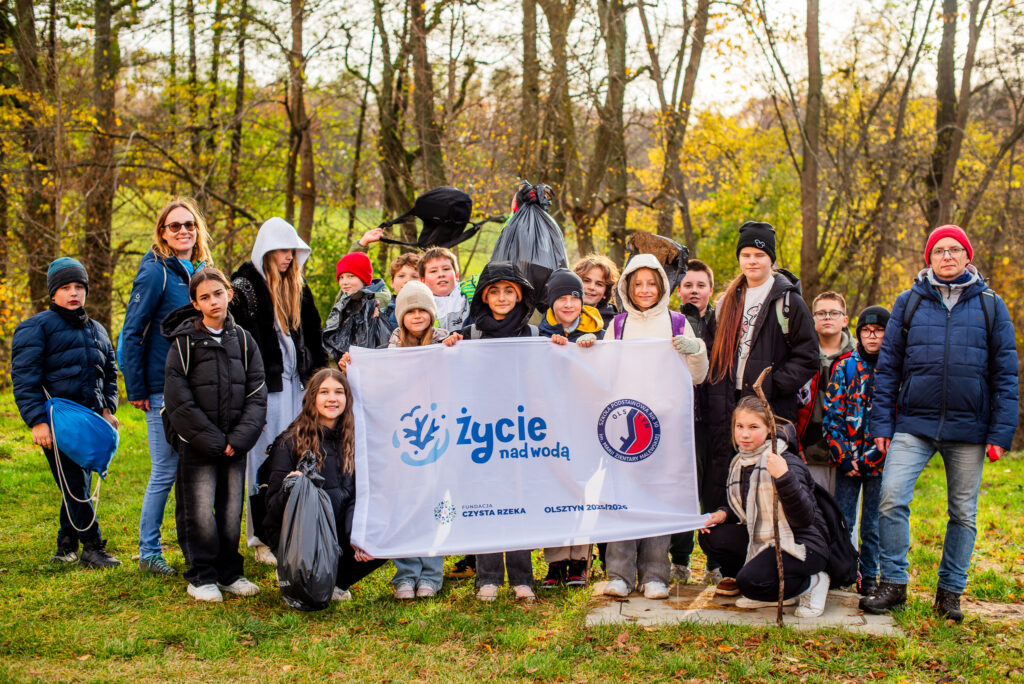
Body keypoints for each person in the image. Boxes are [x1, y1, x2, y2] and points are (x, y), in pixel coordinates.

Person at [862, 225, 1019, 622]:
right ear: (928, 258)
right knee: (891, 499)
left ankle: (950, 593)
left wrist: (1001, 432)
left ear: (968, 256)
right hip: (913, 423)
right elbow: (889, 367)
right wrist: (882, 425)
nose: (947, 257)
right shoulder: (908, 302)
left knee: (963, 513)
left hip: (970, 428)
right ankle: (893, 584)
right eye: (939, 251)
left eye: (954, 250)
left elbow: (1005, 373)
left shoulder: (991, 304)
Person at [703, 221, 817, 595]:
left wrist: (771, 384)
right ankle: (732, 567)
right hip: (728, 403)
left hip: (769, 407)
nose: (752, 261)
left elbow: (808, 356)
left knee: (769, 478)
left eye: (759, 255)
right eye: (746, 255)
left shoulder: (788, 301)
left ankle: (781, 560)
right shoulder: (728, 300)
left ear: (771, 258)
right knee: (728, 475)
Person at [603, 254, 709, 600]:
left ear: (662, 286)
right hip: (623, 425)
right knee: (623, 498)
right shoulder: (618, 325)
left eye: (651, 283)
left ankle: (655, 575)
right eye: (637, 284)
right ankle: (619, 573)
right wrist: (590, 349)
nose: (645, 290)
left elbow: (697, 375)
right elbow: (602, 374)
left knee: (658, 498)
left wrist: (695, 350)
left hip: (664, 428)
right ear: (627, 288)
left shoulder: (678, 322)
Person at [162, 268, 268, 602]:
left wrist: (237, 439)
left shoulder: (245, 341)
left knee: (230, 511)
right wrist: (211, 440)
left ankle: (229, 574)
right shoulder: (183, 344)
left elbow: (257, 392)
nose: (213, 302)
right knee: (198, 511)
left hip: (234, 445)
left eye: (218, 294)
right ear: (195, 303)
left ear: (229, 295)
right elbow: (178, 401)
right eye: (204, 297)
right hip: (198, 445)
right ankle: (201, 576)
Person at [121, 196, 212, 577]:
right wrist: (137, 388)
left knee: (194, 469)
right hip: (162, 388)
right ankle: (148, 551)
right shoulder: (156, 272)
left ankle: (197, 547)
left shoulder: (203, 270)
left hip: (200, 387)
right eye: (174, 226)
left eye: (188, 225)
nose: (183, 231)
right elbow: (131, 332)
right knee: (164, 469)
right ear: (162, 232)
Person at [11, 257, 121, 568]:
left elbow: (110, 374)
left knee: (75, 484)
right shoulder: (36, 328)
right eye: (65, 287)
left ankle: (66, 544)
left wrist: (107, 408)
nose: (73, 293)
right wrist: (37, 422)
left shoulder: (98, 330)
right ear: (53, 293)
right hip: (57, 423)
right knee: (74, 484)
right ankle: (92, 547)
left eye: (78, 287)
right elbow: (25, 379)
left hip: (90, 423)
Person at [229, 217, 326, 565]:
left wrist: (318, 382)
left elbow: (313, 339)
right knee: (261, 460)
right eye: (283, 250)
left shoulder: (298, 288)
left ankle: (291, 530)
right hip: (262, 390)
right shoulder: (244, 289)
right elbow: (237, 344)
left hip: (295, 386)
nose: (289, 257)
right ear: (268, 250)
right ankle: (260, 538)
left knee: (295, 456)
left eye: (293, 251)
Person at [444, 261, 539, 600]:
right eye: (494, 291)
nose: (501, 297)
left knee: (517, 500)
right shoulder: (469, 335)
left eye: (508, 291)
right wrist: (448, 351)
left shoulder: (533, 335)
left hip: (519, 431)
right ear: (484, 296)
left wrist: (562, 347)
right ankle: (487, 577)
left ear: (520, 296)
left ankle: (521, 578)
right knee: (484, 498)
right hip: (481, 433)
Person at [262, 369, 388, 601]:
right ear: (312, 398)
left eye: (339, 392)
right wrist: (290, 487)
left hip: (337, 530)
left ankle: (337, 582)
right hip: (302, 534)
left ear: (348, 399)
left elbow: (355, 497)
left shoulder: (354, 441)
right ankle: (303, 576)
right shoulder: (289, 442)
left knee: (382, 534)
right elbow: (271, 509)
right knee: (309, 591)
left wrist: (358, 538)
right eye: (324, 392)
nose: (332, 398)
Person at [698, 397, 831, 618]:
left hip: (802, 543)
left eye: (753, 427)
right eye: (739, 426)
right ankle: (772, 589)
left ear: (769, 429)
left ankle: (813, 582)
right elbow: (745, 507)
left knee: (750, 581)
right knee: (712, 536)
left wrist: (784, 477)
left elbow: (804, 518)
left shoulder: (785, 461)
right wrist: (721, 514)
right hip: (765, 537)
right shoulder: (740, 462)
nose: (744, 434)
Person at [536, 269, 602, 587]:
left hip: (586, 423)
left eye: (574, 298)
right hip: (552, 424)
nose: (568, 304)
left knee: (582, 488)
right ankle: (556, 561)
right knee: (555, 486)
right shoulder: (539, 334)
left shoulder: (597, 333)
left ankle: (580, 559)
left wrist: (589, 349)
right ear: (552, 302)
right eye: (561, 298)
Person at [386, 281, 448, 599]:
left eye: (423, 308)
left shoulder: (446, 343)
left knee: (435, 503)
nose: (417, 315)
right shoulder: (391, 350)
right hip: (406, 437)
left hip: (439, 435)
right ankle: (406, 573)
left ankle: (432, 574)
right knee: (406, 503)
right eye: (410, 310)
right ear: (401, 316)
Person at [823, 305, 889, 597]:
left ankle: (869, 575)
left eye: (879, 331)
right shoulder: (845, 365)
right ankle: (842, 571)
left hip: (880, 462)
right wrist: (844, 456)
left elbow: (898, 417)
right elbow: (832, 414)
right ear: (859, 333)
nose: (872, 336)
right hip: (847, 460)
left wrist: (871, 458)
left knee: (872, 525)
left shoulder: (895, 367)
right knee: (843, 520)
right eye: (866, 331)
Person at [797, 291, 856, 494]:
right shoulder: (802, 355)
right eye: (821, 313)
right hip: (809, 450)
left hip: (850, 452)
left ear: (845, 320)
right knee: (814, 513)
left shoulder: (858, 358)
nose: (827, 317)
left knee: (844, 518)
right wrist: (795, 443)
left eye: (834, 313)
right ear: (812, 319)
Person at [322, 252, 394, 363]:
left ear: (364, 279)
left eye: (351, 276)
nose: (344, 282)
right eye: (341, 277)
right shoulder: (345, 302)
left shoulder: (375, 303)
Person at [420, 247, 475, 332]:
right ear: (423, 280)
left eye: (446, 269)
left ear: (456, 275)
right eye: (434, 271)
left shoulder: (473, 289)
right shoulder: (421, 306)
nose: (441, 274)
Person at [572, 254, 619, 329]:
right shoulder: (559, 313)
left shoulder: (615, 324)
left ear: (606, 292)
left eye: (599, 284)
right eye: (586, 281)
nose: (591, 287)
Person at [384, 252, 422, 327]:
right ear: (392, 282)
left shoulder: (434, 310)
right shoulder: (383, 313)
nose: (407, 280)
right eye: (401, 276)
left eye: (414, 277)